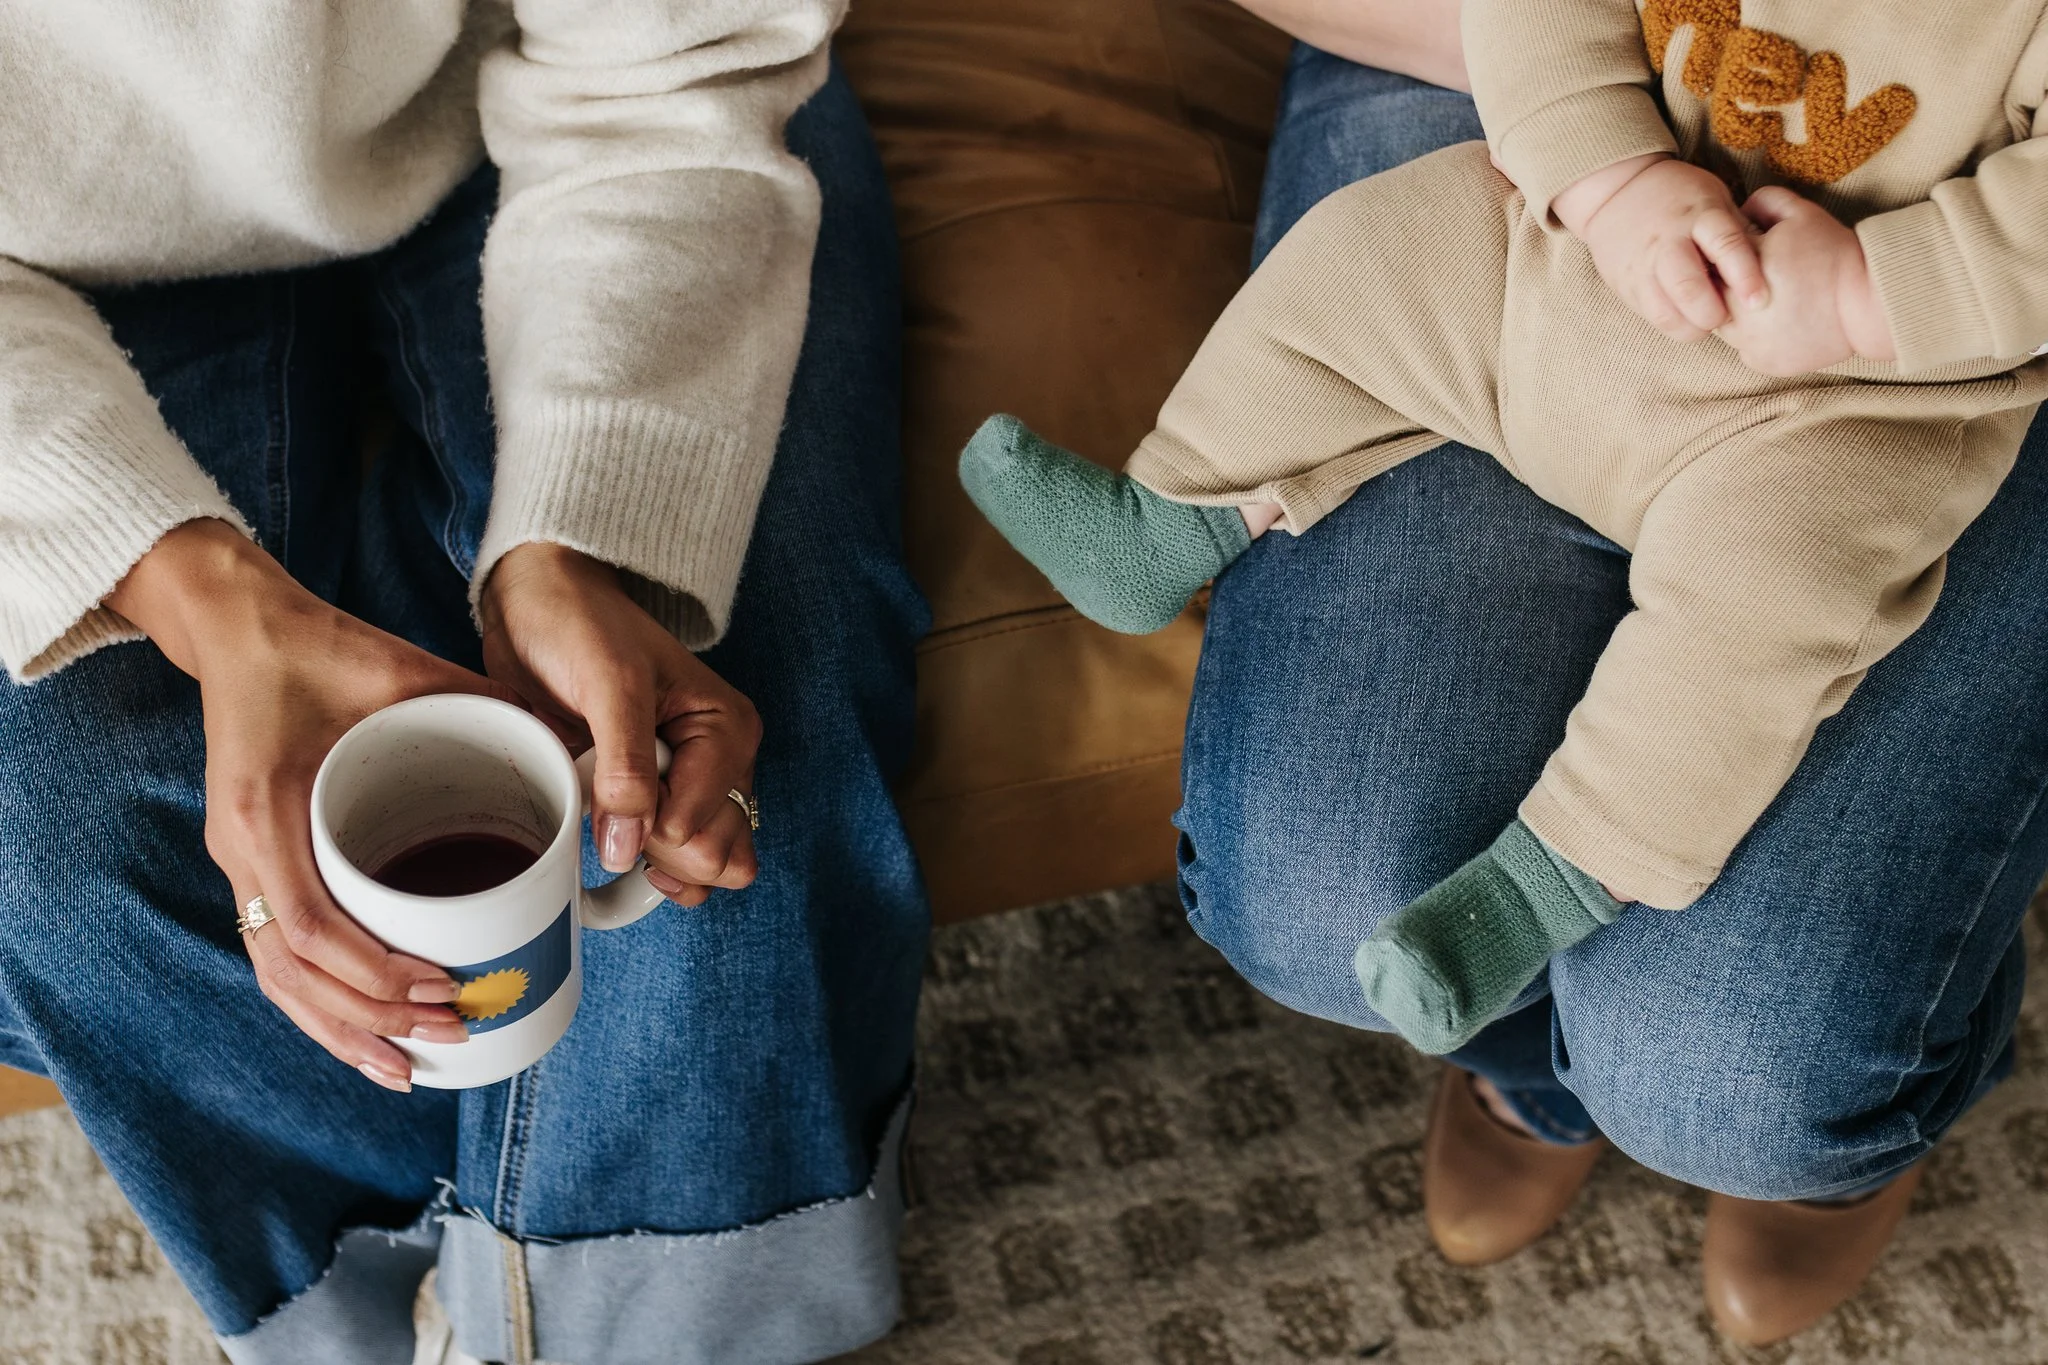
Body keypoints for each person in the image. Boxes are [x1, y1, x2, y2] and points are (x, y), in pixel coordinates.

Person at [999, 0, 2048, 1348]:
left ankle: (1566, 875)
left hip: (1878, 375)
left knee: (1762, 641)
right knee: (1376, 266)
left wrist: (1877, 296)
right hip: (1604, 187)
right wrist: (1605, 170)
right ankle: (1175, 513)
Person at [0, 3, 927, 1362]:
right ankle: (402, 1271)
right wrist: (202, 601)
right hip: (35, 249)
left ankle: (657, 1326)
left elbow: (675, 58)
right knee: (61, 856)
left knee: (726, 743)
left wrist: (590, 532)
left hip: (588, 91)